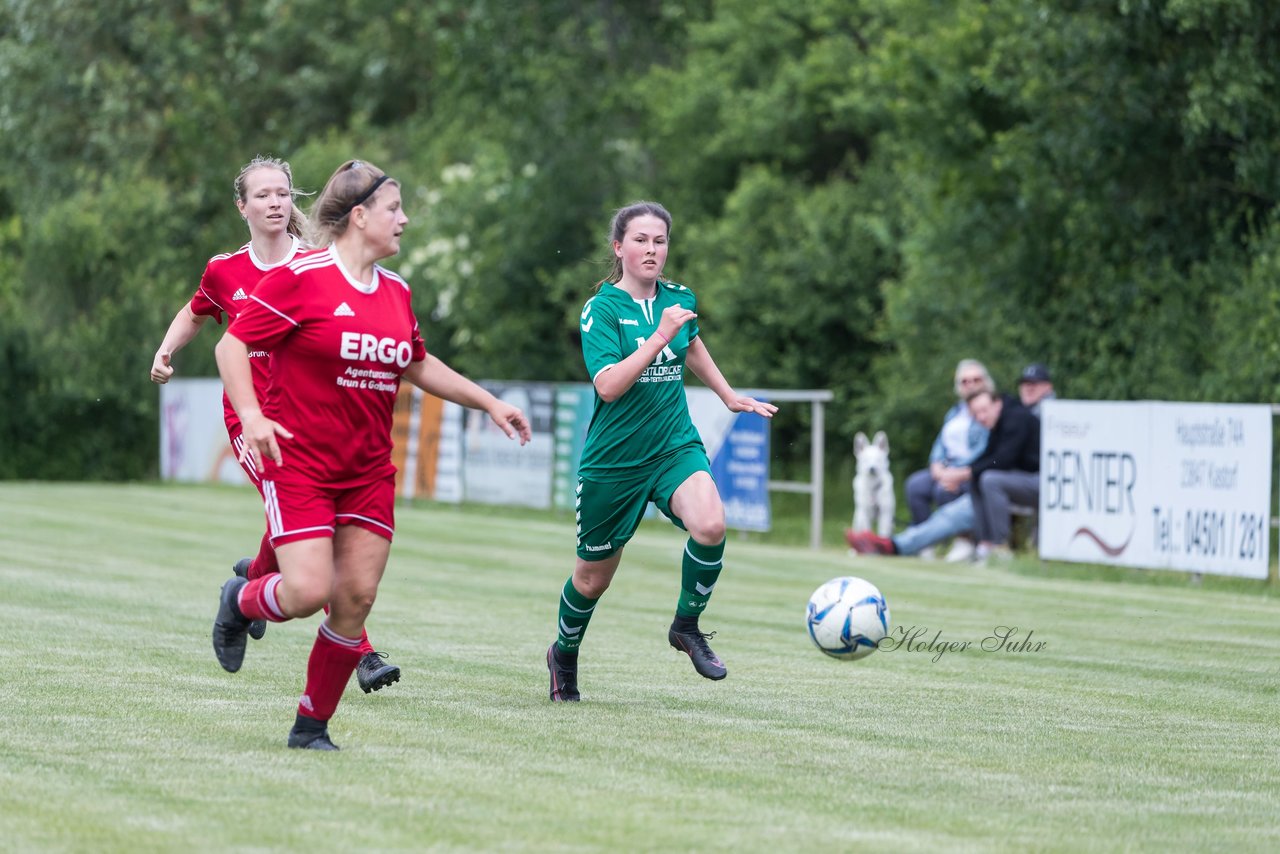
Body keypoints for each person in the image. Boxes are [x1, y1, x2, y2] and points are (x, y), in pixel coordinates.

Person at [211, 159, 531, 749]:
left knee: (354, 600)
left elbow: (416, 362)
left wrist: (488, 401)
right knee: (307, 592)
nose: (404, 220)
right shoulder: (301, 279)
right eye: (394, 209)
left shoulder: (396, 293)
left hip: (367, 474)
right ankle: (242, 598)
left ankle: (311, 729)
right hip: (300, 466)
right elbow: (232, 347)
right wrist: (253, 416)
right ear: (359, 217)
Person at [149, 157, 401, 694]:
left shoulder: (318, 263)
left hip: (309, 418)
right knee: (315, 518)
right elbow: (196, 313)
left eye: (283, 194)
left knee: (308, 519)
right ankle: (362, 653)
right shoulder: (225, 270)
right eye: (262, 195)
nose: (275, 203)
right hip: (251, 421)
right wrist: (166, 351)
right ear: (242, 206)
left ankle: (254, 580)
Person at [545, 201, 777, 702]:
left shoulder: (678, 299)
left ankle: (686, 626)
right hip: (614, 461)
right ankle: (563, 652)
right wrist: (659, 336)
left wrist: (727, 394)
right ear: (618, 247)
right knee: (592, 579)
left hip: (673, 444)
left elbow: (690, 343)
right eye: (641, 240)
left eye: (660, 241)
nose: (652, 250)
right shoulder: (602, 309)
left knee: (712, 524)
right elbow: (609, 386)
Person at [900, 359, 993, 561]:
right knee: (915, 485)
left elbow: (986, 449)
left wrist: (955, 472)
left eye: (975, 380)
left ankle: (964, 540)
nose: (970, 385)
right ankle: (925, 544)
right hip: (946, 466)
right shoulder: (954, 412)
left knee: (944, 489)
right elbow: (940, 443)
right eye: (965, 381)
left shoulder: (988, 411)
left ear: (986, 382)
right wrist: (936, 465)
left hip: (969, 471)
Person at [963, 388, 1040, 562]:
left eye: (983, 411)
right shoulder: (999, 420)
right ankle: (985, 544)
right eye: (976, 414)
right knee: (977, 478)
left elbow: (1003, 460)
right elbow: (989, 456)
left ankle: (1000, 547)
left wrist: (967, 472)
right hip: (1024, 478)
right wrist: (967, 472)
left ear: (997, 404)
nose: (981, 417)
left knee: (990, 480)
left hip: (1044, 481)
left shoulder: (1016, 418)